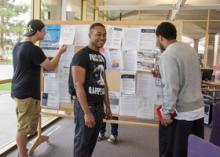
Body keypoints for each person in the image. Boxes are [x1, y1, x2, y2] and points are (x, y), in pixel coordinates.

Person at [11, 19, 67, 157]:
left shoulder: (17, 46)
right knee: (23, 128)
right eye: (44, 30)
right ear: (37, 31)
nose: (45, 33)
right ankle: (22, 154)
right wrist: (60, 52)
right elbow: (51, 66)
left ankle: (22, 150)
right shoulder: (33, 49)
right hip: (27, 93)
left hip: (19, 90)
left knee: (24, 125)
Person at [155, 22, 204, 157]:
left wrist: (166, 113)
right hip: (198, 110)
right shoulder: (190, 50)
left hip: (182, 114)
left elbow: (172, 87)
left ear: (160, 38)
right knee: (193, 151)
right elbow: (188, 75)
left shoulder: (167, 55)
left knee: (173, 152)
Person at [69, 23, 112, 157]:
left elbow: (103, 83)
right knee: (82, 145)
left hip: (98, 107)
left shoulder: (101, 58)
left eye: (104, 35)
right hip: (85, 107)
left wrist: (108, 107)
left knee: (90, 144)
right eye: (98, 34)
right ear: (89, 36)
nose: (102, 37)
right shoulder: (81, 56)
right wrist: (86, 112)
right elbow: (78, 85)